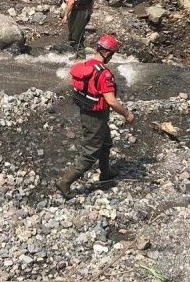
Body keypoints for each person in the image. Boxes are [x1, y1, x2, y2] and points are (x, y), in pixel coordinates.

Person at [56, 35, 134, 199]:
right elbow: (111, 101)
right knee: (90, 153)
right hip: (96, 116)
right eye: (112, 53)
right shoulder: (104, 74)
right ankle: (65, 182)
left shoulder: (85, 65)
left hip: (87, 110)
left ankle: (105, 173)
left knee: (105, 142)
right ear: (106, 52)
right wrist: (127, 114)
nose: (112, 56)